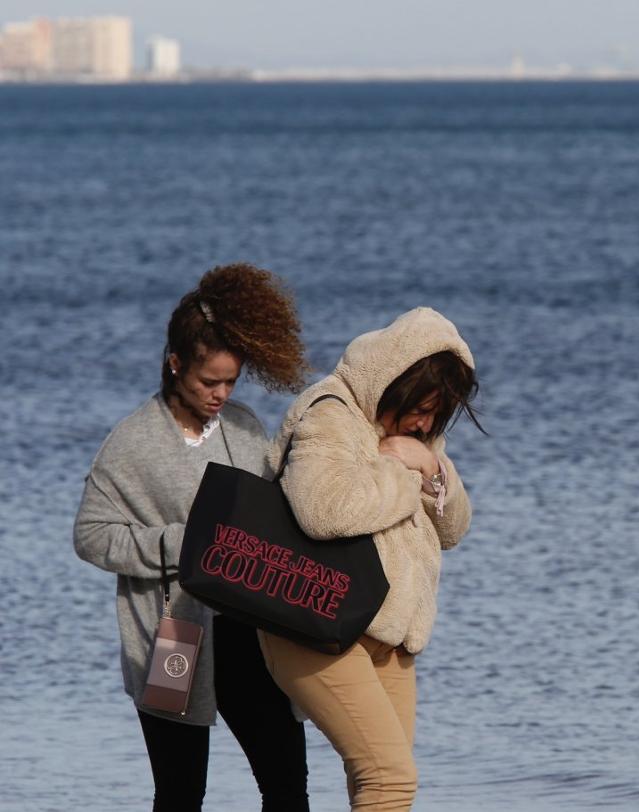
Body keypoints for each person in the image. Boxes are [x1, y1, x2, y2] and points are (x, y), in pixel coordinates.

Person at [74, 263, 312, 812]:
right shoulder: (131, 443)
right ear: (175, 364)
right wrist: (181, 544)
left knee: (287, 784)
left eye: (231, 381)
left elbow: (276, 510)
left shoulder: (246, 426)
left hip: (252, 633)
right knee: (180, 794)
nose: (221, 394)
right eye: (210, 381)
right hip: (172, 637)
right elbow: (90, 535)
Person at [258, 307, 481, 811]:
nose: (425, 422)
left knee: (383, 784)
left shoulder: (416, 438)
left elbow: (453, 529)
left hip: (390, 637)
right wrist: (401, 470)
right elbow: (325, 512)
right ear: (392, 383)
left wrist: (432, 469)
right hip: (317, 626)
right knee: (389, 778)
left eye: (436, 413)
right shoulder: (329, 413)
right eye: (419, 407)